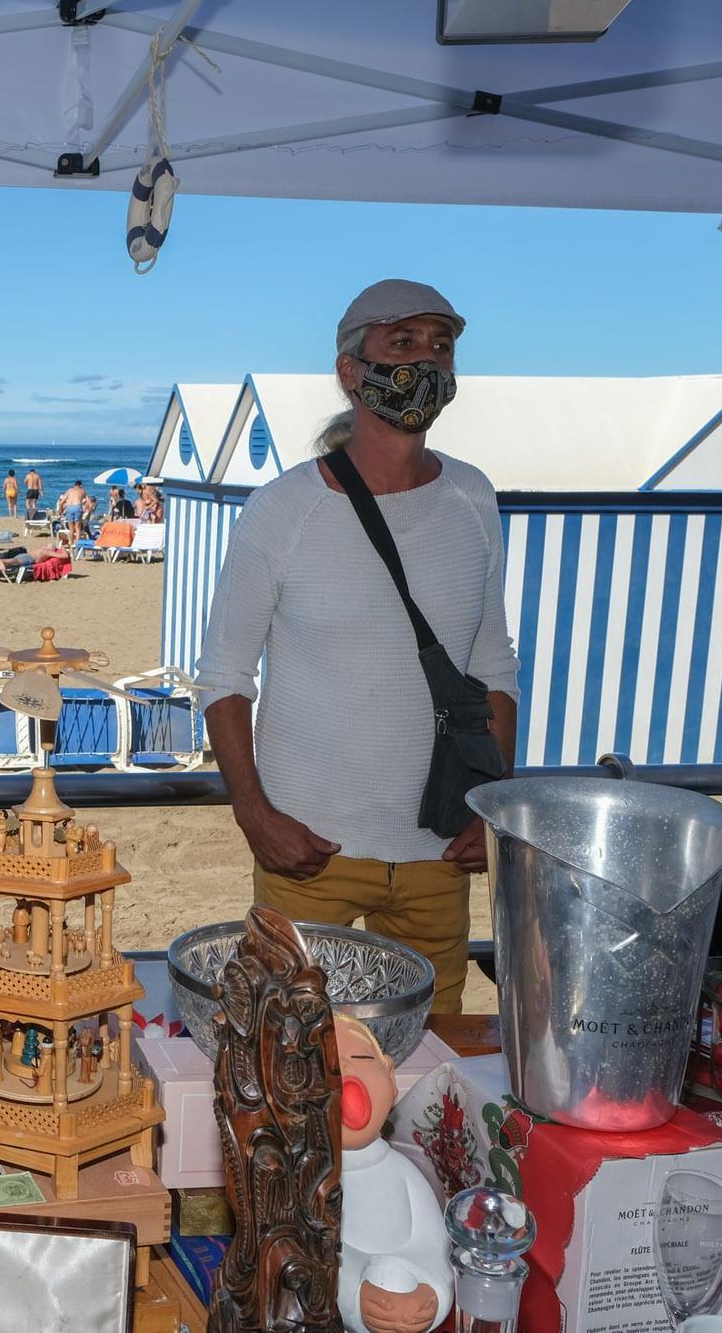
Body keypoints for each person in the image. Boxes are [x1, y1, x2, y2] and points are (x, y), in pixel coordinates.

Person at [196, 278, 519, 1013]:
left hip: (440, 853)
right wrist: (255, 815)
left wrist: (489, 809)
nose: (428, 363)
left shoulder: (474, 499)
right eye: (402, 344)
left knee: (430, 1067)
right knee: (285, 1056)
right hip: (310, 855)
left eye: (441, 346)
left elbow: (493, 664)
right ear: (351, 371)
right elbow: (223, 675)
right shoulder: (284, 510)